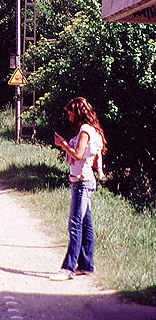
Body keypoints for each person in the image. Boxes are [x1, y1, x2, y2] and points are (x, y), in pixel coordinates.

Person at [50, 96, 106, 281]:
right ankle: (86, 265)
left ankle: (68, 269)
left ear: (78, 112)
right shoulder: (94, 130)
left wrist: (63, 144)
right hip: (85, 180)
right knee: (86, 226)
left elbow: (79, 154)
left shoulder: (84, 130)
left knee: (75, 224)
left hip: (82, 182)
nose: (69, 116)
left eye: (71, 113)